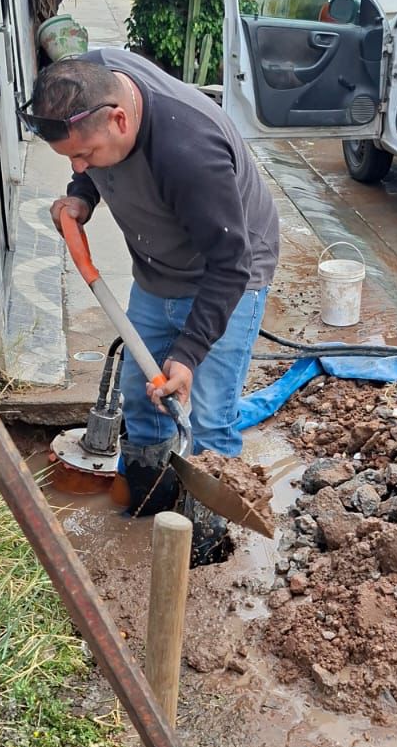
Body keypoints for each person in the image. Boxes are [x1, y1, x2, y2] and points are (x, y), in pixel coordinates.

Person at [24, 48, 279, 563]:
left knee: (210, 420)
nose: (78, 165)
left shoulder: (190, 150)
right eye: (70, 159)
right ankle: (147, 507)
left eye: (86, 155)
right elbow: (84, 160)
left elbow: (230, 263)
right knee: (142, 403)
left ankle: (206, 551)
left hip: (229, 273)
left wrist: (188, 353)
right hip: (158, 270)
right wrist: (82, 194)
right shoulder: (85, 83)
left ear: (120, 119)